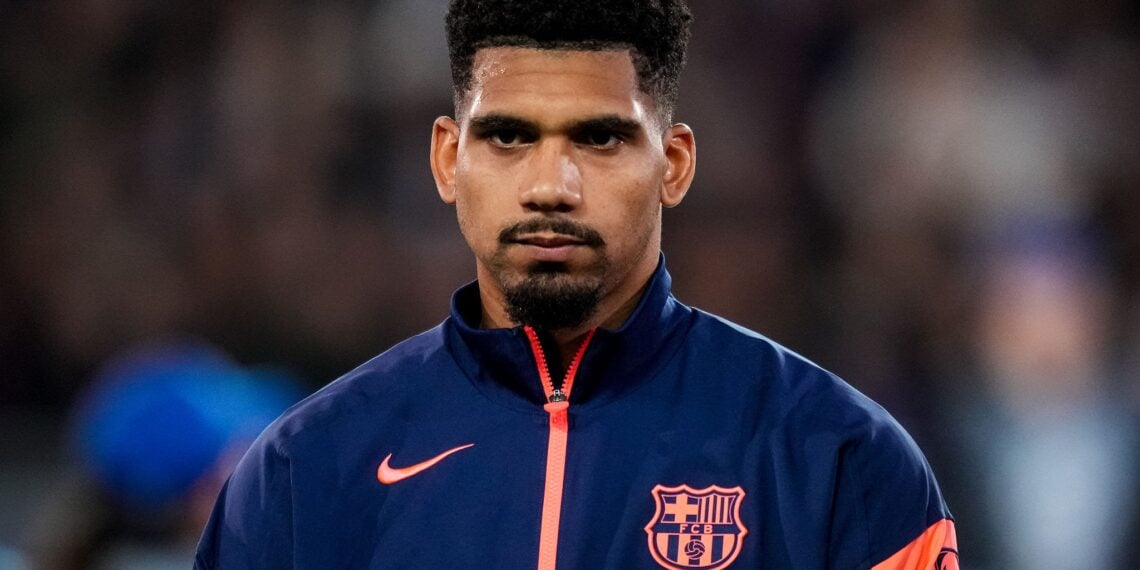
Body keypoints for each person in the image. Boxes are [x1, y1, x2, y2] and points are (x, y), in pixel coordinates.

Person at [195, 1, 957, 568]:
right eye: (508, 136)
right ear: (447, 160)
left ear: (675, 164)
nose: (550, 186)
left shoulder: (838, 459)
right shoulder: (304, 470)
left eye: (599, 138)